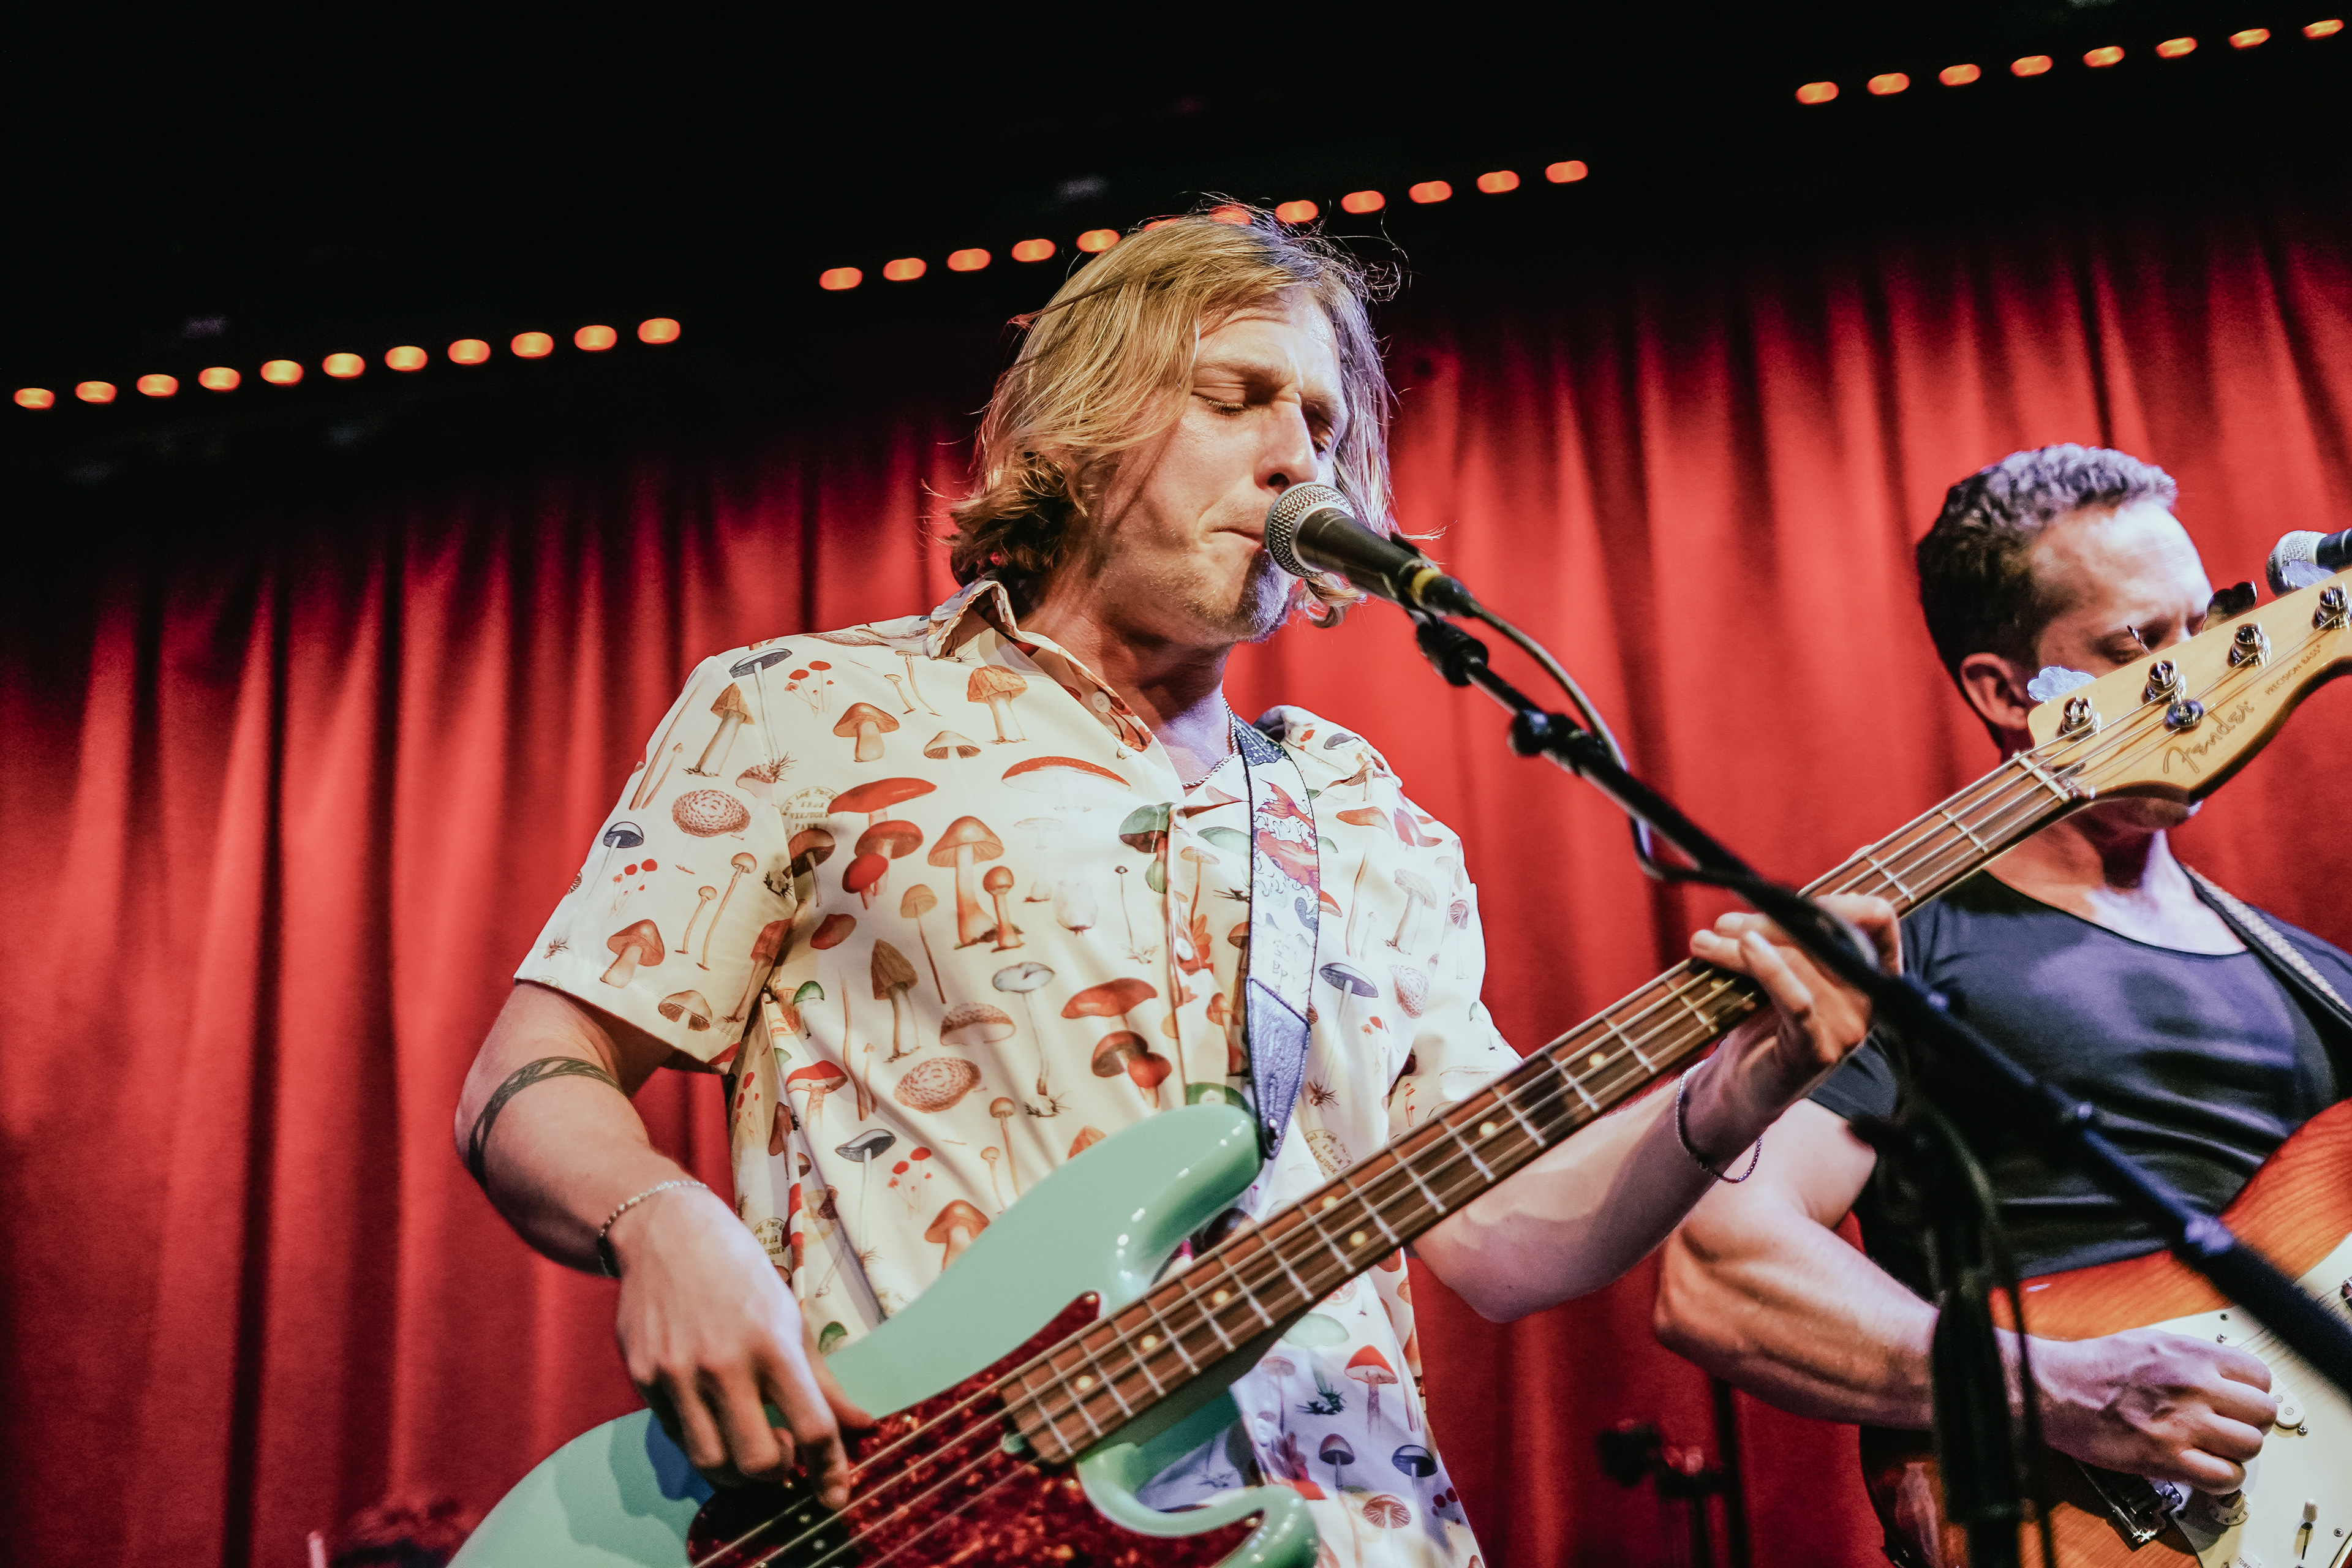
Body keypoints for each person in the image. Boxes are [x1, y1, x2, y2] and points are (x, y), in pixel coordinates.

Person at [454, 208, 1895, 1567]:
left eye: (1321, 421)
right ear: (1074, 432)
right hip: (923, 1523)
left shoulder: (1361, 813)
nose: (1296, 456)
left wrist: (1735, 1087)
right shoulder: (806, 710)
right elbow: (533, 1071)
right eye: (1235, 398)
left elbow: (1503, 1237)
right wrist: (663, 1219)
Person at [1653, 445, 2352, 1548]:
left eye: (2205, 622)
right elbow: (1719, 1268)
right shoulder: (1900, 951)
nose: (2200, 667)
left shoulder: (2318, 979)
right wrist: (2065, 1389)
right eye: (2140, 644)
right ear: (2003, 689)